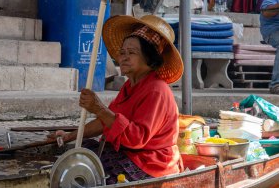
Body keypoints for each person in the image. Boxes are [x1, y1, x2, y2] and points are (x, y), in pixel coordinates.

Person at [51, 15, 184, 184]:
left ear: (149, 59)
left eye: (132, 53)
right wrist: (70, 136)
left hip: (151, 164)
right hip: (129, 154)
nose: (124, 57)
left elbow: (135, 139)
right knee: (79, 151)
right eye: (122, 53)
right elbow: (105, 121)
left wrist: (99, 108)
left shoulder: (156, 91)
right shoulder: (130, 86)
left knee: (94, 173)